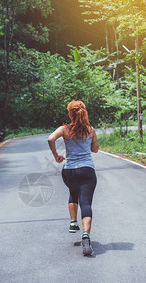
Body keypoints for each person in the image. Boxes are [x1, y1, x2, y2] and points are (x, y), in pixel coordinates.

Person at [47, 100, 99, 256]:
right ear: (84, 113)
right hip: (87, 170)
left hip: (69, 170)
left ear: (70, 113)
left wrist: (56, 155)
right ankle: (86, 235)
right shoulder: (90, 130)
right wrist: (88, 143)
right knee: (86, 202)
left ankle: (73, 222)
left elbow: (50, 139)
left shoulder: (65, 129)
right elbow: (95, 150)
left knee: (73, 192)